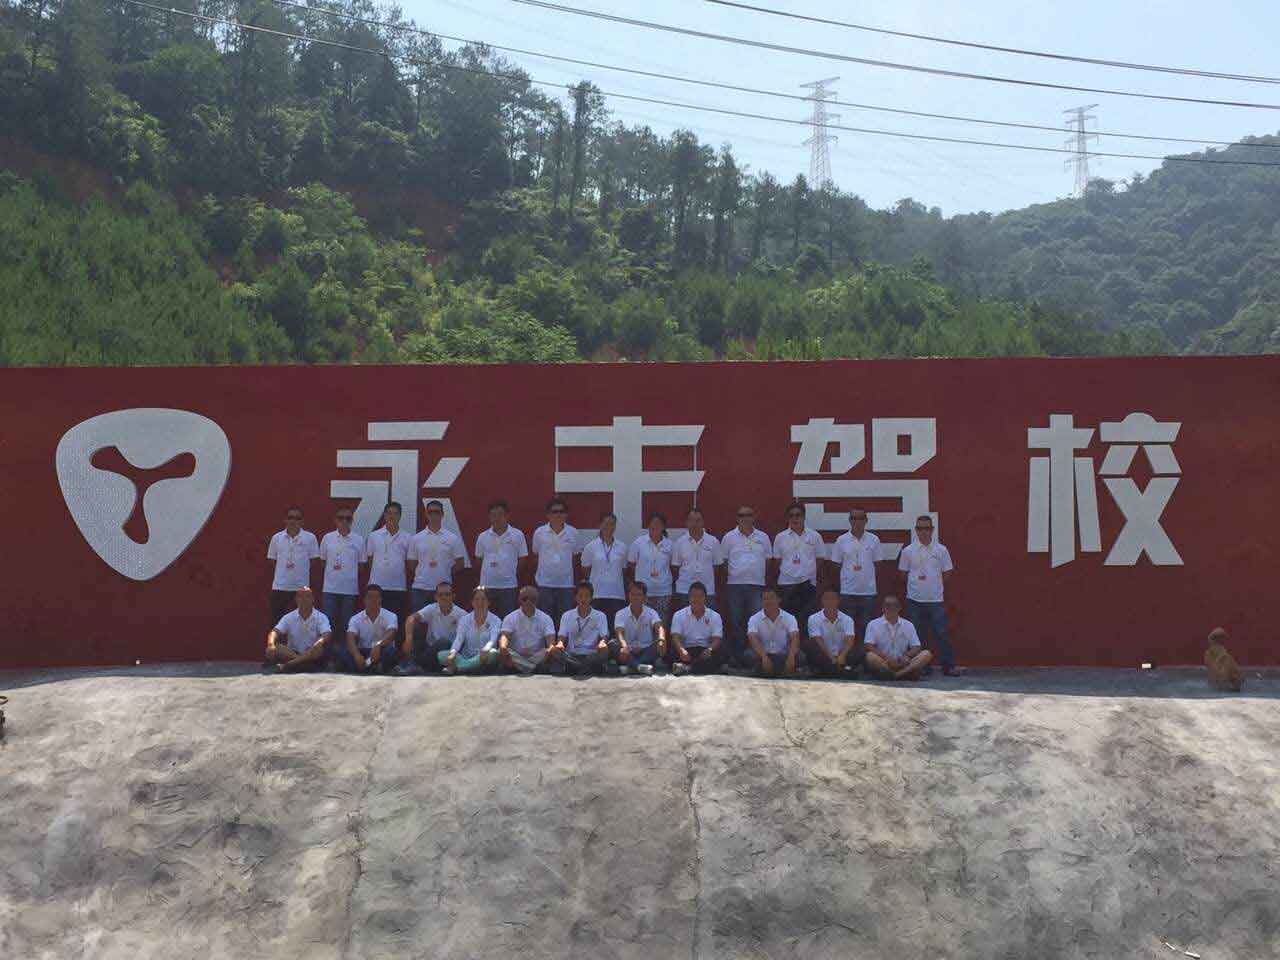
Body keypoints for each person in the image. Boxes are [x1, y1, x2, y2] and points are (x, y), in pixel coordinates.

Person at [898, 515, 961, 676]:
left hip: (935, 600)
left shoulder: (941, 550)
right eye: (920, 528)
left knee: (942, 633)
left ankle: (948, 666)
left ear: (932, 530)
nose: (923, 532)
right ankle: (921, 667)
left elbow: (947, 572)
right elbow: (903, 574)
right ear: (916, 530)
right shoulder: (908, 551)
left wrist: (933, 585)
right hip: (914, 599)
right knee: (917, 636)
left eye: (927, 528)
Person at [721, 505, 770, 665]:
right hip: (735, 585)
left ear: (754, 517)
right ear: (737, 518)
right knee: (736, 622)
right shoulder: (729, 537)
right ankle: (738, 657)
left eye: (748, 514)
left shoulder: (763, 537)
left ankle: (753, 656)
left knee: (755, 621)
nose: (745, 518)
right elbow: (724, 562)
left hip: (757, 585)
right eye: (741, 515)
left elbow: (768, 561)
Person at [772, 501, 826, 639]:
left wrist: (807, 573)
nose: (795, 518)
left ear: (804, 516)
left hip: (807, 584)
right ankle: (789, 649)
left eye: (798, 515)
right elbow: (777, 561)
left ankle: (804, 650)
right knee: (787, 622)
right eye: (791, 515)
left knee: (806, 620)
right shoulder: (780, 537)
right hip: (786, 585)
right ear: (787, 518)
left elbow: (820, 559)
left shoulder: (814, 536)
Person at [831, 507, 884, 642]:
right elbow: (836, 564)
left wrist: (865, 577)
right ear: (849, 520)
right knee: (847, 630)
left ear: (866, 520)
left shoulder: (874, 540)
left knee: (867, 629)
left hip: (868, 592)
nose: (857, 521)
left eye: (860, 518)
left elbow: (878, 564)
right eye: (854, 518)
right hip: (847, 592)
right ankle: (849, 655)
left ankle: (865, 655)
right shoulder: (841, 540)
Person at [407, 500, 468, 615]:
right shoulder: (416, 538)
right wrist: (424, 572)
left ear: (442, 514)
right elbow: (411, 563)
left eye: (437, 512)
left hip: (443, 590)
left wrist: (445, 571)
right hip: (420, 588)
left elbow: (460, 563)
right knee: (418, 623)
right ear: (426, 514)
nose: (433, 515)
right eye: (430, 512)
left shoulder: (452, 538)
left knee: (443, 621)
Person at [266, 506, 320, 629]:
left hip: (301, 588)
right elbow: (272, 560)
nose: (293, 521)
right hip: (280, 587)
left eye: (297, 518)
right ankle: (277, 642)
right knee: (276, 623)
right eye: (290, 517)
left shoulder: (310, 538)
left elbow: (314, 560)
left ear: (302, 521)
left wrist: (299, 571)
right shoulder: (276, 538)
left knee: (302, 624)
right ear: (285, 520)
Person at [474, 500, 528, 622]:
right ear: (489, 517)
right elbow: (478, 560)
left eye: (500, 514)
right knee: (487, 621)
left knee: (507, 621)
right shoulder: (483, 537)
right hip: (487, 586)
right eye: (493, 515)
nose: (496, 518)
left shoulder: (517, 535)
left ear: (507, 516)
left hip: (508, 586)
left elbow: (522, 559)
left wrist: (510, 573)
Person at [319, 507, 364, 651]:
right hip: (330, 589)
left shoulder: (359, 540)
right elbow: (322, 562)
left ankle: (344, 657)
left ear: (352, 521)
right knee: (328, 625)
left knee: (347, 626)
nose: (344, 521)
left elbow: (361, 565)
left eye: (348, 518)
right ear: (335, 520)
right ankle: (327, 657)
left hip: (349, 590)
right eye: (341, 518)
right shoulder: (327, 538)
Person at [532, 497, 580, 630]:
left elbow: (575, 557)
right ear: (548, 514)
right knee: (545, 621)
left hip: (566, 585)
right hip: (544, 584)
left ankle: (561, 642)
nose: (558, 514)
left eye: (561, 511)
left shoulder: (573, 533)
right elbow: (536, 555)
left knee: (565, 622)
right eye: (554, 511)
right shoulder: (539, 533)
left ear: (566, 514)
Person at [863, 595, 932, 681]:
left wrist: (906, 656)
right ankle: (904, 674)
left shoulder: (908, 625)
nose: (891, 608)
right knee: (870, 656)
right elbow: (868, 645)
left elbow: (916, 646)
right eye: (887, 605)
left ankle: (896, 675)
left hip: (903, 662)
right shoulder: (873, 624)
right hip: (884, 662)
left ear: (899, 608)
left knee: (926, 654)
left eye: (895, 605)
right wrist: (886, 658)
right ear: (882, 608)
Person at [264, 586, 331, 673]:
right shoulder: (289, 617)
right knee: (277, 647)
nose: (304, 599)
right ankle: (302, 663)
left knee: (319, 650)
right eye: (300, 597)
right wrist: (270, 644)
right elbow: (274, 632)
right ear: (296, 600)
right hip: (292, 653)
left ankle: (288, 665)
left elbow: (327, 633)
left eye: (307, 596)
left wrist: (320, 642)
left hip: (312, 651)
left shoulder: (321, 617)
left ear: (312, 599)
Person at [401, 581, 463, 673]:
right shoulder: (432, 608)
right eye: (440, 595)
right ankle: (414, 665)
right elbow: (411, 618)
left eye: (447, 594)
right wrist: (408, 639)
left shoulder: (461, 614)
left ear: (453, 596)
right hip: (430, 650)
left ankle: (416, 666)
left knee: (443, 642)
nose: (444, 597)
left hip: (448, 653)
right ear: (436, 597)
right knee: (415, 629)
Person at [362, 501, 410, 621]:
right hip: (376, 586)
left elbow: (409, 562)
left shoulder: (408, 537)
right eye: (389, 513)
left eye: (395, 513)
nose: (392, 516)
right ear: (384, 515)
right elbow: (370, 560)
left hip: (398, 587)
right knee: (375, 619)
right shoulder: (374, 536)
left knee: (396, 621)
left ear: (400, 516)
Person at [556, 581, 616, 676]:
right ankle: (586, 668)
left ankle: (577, 668)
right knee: (555, 651)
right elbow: (561, 636)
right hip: (572, 655)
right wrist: (560, 643)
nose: (583, 599)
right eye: (580, 596)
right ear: (575, 597)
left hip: (592, 655)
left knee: (608, 647)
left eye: (587, 596)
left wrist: (602, 643)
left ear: (591, 598)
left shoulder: (600, 616)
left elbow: (604, 636)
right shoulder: (566, 615)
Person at [581, 513, 628, 631]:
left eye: (612, 524)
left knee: (614, 627)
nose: (609, 527)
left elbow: (624, 570)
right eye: (606, 523)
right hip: (597, 593)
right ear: (600, 525)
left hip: (616, 594)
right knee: (596, 628)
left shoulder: (622, 547)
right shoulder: (590, 546)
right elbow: (585, 569)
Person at [336, 584, 398, 673]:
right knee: (341, 650)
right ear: (364, 600)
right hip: (363, 651)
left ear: (381, 599)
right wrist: (356, 654)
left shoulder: (391, 616)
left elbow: (391, 633)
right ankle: (367, 667)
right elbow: (350, 637)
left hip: (381, 650)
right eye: (370, 597)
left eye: (376, 597)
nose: (373, 600)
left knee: (390, 650)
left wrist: (378, 645)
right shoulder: (355, 618)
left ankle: (368, 668)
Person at [672, 507, 724, 612]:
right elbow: (675, 567)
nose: (694, 524)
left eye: (698, 520)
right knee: (684, 620)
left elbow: (717, 566)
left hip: (707, 591)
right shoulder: (679, 542)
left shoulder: (713, 541)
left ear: (703, 522)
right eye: (691, 520)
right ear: (686, 522)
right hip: (684, 591)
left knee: (708, 621)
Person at [628, 512, 675, 626]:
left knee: (661, 625)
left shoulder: (670, 545)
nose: (655, 526)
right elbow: (631, 565)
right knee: (643, 625)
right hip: (643, 593)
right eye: (652, 523)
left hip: (664, 592)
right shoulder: (638, 543)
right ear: (648, 525)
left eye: (658, 523)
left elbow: (673, 567)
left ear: (663, 527)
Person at [669, 582, 726, 675]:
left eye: (700, 596)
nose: (697, 599)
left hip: (705, 650)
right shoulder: (679, 614)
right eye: (693, 596)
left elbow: (717, 639)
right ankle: (703, 668)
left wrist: (709, 649)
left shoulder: (715, 616)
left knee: (722, 653)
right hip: (686, 649)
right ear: (688, 598)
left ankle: (686, 668)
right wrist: (681, 650)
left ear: (705, 598)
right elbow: (675, 637)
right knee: (670, 653)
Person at [498, 586, 557, 675]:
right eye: (524, 599)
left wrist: (551, 649)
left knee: (551, 650)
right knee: (501, 649)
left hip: (536, 657)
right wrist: (503, 647)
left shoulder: (546, 618)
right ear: (519, 600)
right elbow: (505, 636)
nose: (528, 602)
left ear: (537, 601)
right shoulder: (510, 617)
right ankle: (532, 668)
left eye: (532, 599)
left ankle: (523, 668)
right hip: (516, 656)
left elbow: (551, 641)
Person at [441, 588, 501, 675]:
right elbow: (459, 639)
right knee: (442, 654)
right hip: (467, 657)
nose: (480, 603)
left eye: (483, 599)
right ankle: (472, 667)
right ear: (472, 602)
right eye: (476, 599)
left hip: (485, 656)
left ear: (489, 602)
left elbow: (493, 639)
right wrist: (453, 652)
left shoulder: (496, 620)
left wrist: (486, 648)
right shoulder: (464, 620)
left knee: (493, 653)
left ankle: (459, 668)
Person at [614, 581, 667, 676]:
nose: (635, 597)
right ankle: (640, 667)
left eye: (639, 595)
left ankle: (631, 667)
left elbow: (659, 627)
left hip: (646, 650)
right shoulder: (620, 613)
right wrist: (624, 646)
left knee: (660, 644)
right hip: (628, 650)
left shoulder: (651, 612)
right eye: (633, 594)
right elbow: (619, 633)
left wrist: (661, 639)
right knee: (612, 644)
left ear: (644, 597)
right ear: (628, 596)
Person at [746, 587, 800, 677]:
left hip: (783, 655)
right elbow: (752, 638)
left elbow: (795, 637)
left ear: (779, 599)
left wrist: (791, 657)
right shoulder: (754, 618)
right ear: (761, 601)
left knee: (800, 657)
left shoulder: (789, 617)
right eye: (765, 599)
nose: (768, 601)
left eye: (772, 598)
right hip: (763, 654)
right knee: (748, 655)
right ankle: (780, 671)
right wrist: (764, 657)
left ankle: (767, 671)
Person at [805, 588, 858, 677]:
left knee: (858, 650)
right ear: (822, 600)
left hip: (842, 655)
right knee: (810, 645)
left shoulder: (847, 619)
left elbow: (850, 640)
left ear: (838, 600)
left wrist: (842, 656)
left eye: (833, 598)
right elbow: (818, 640)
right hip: (824, 655)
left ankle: (830, 670)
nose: (830, 601)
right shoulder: (813, 618)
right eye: (827, 598)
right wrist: (831, 657)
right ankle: (841, 670)